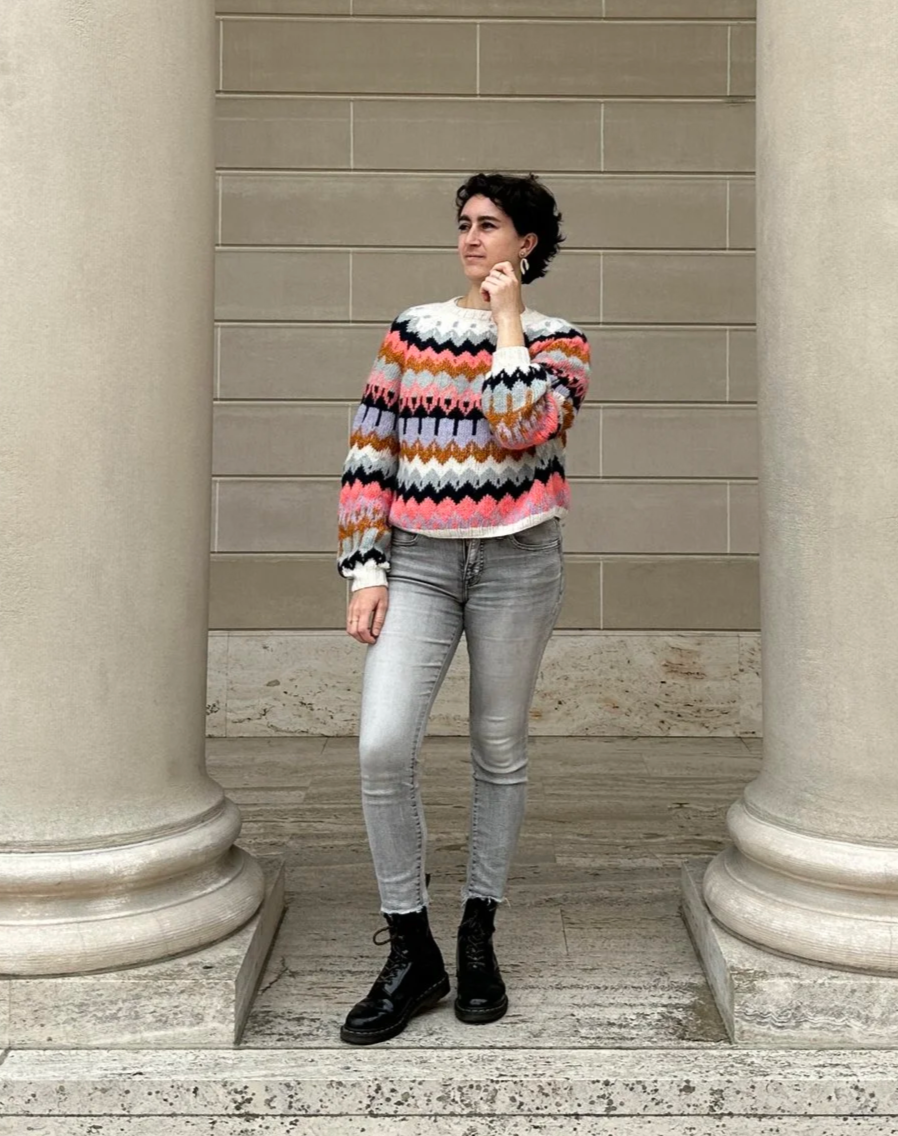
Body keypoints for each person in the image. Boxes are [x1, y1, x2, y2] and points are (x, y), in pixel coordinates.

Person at [334, 172, 591, 1044]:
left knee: (498, 748)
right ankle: (412, 947)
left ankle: (478, 931)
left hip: (520, 563)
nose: (472, 239)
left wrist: (508, 322)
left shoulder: (564, 344)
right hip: (419, 561)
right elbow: (371, 450)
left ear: (528, 245)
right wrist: (366, 569)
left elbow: (521, 426)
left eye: (491, 227)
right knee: (382, 744)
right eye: (464, 224)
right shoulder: (412, 331)